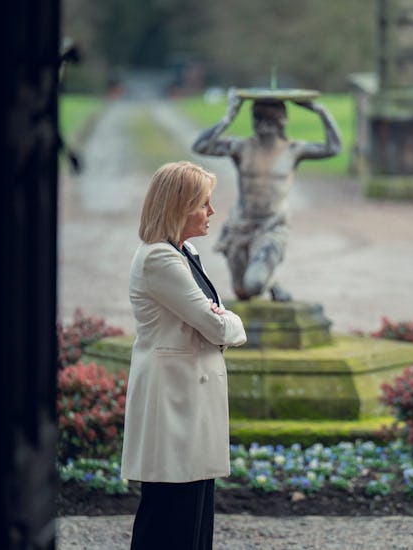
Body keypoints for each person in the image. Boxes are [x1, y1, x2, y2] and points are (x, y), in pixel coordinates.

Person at [120, 161, 248, 550]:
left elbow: (216, 316)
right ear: (179, 206)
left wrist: (222, 319)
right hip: (173, 405)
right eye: (204, 203)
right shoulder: (160, 259)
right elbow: (217, 326)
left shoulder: (185, 252)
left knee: (193, 515)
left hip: (189, 402)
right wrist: (226, 321)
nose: (212, 212)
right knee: (170, 520)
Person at [192, 90, 342, 302]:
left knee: (254, 285)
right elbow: (200, 146)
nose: (263, 122)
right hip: (240, 227)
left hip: (272, 226)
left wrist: (320, 111)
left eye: (270, 116)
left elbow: (334, 147)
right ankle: (272, 282)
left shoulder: (293, 150)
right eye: (258, 116)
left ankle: (269, 279)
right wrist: (227, 119)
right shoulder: (242, 147)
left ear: (282, 119)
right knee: (241, 292)